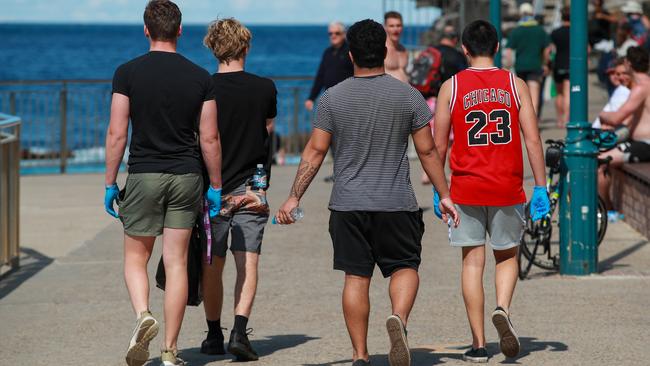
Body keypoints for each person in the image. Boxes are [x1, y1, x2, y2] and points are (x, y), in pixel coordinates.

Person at [275, 19, 459, 366]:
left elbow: (314, 153)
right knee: (405, 266)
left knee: (356, 277)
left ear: (350, 55)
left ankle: (360, 355)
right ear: (385, 50)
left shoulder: (331, 98)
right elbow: (429, 151)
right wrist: (444, 193)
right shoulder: (409, 96)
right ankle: (398, 320)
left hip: (347, 204)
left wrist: (294, 196)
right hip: (396, 202)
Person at [103, 1, 222, 365]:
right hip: (187, 176)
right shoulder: (201, 77)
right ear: (180, 30)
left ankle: (144, 315)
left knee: (136, 259)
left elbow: (116, 133)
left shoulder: (127, 73)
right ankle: (170, 351)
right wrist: (215, 185)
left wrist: (110, 182)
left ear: (146, 29)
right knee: (176, 263)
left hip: (144, 174)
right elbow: (210, 138)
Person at [433, 20, 549, 363]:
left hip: (465, 187)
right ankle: (503, 307)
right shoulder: (516, 85)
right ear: (497, 47)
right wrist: (541, 186)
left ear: (464, 49)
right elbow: (532, 138)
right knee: (507, 256)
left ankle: (479, 344)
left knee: (472, 262)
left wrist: (440, 191)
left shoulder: (450, 87)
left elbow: (437, 146)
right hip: (507, 186)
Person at [198, 18, 277, 362]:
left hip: (211, 189)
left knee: (212, 264)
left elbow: (200, 139)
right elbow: (268, 133)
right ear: (246, 47)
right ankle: (240, 331)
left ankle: (213, 334)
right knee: (248, 262)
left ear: (213, 48)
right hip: (251, 187)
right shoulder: (264, 88)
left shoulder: (204, 87)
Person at [598, 47, 650, 213]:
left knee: (600, 161)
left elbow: (616, 118)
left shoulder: (641, 87)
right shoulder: (644, 85)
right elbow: (630, 120)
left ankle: (607, 210)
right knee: (600, 152)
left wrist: (602, 115)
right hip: (638, 141)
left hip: (646, 144)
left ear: (628, 63)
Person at [420, 25, 466, 184]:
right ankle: (452, 172)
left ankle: (427, 174)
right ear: (454, 39)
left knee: (431, 140)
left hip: (428, 101)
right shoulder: (457, 56)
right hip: (447, 102)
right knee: (451, 141)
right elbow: (463, 80)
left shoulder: (429, 52)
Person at [506, 2, 551, 115]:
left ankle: (522, 123)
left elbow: (509, 51)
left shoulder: (516, 31)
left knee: (521, 97)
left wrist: (508, 65)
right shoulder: (540, 30)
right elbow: (547, 49)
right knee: (534, 97)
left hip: (520, 67)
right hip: (535, 66)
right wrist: (545, 63)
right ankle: (534, 123)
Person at [305, 21, 354, 112]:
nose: (333, 36)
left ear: (344, 34)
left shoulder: (350, 51)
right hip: (330, 99)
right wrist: (311, 98)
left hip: (347, 100)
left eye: (337, 33)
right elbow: (320, 77)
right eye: (330, 33)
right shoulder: (327, 53)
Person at [593, 58, 633, 130]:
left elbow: (617, 120)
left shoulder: (623, 91)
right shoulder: (620, 90)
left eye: (624, 73)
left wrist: (602, 115)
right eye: (617, 74)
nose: (619, 77)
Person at [551, 6, 571, 128]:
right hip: (571, 64)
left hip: (558, 64)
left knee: (559, 94)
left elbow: (550, 49)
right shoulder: (576, 32)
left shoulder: (555, 33)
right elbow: (587, 49)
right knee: (567, 93)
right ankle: (566, 119)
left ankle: (559, 119)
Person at [384, 11, 409, 83]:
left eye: (398, 25)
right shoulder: (381, 49)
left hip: (405, 92)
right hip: (388, 92)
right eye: (391, 26)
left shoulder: (404, 50)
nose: (395, 29)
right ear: (385, 27)